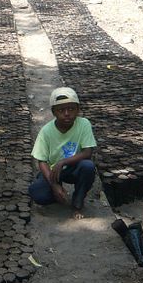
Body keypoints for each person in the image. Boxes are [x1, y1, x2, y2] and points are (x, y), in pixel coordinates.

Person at [28, 87, 97, 219]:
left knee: (88, 166)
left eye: (71, 109)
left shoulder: (84, 124)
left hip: (74, 167)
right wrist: (54, 185)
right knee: (37, 194)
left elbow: (88, 152)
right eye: (61, 110)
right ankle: (57, 191)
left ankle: (78, 202)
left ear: (78, 110)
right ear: (54, 112)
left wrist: (63, 161)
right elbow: (42, 161)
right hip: (54, 171)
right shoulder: (46, 131)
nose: (66, 113)